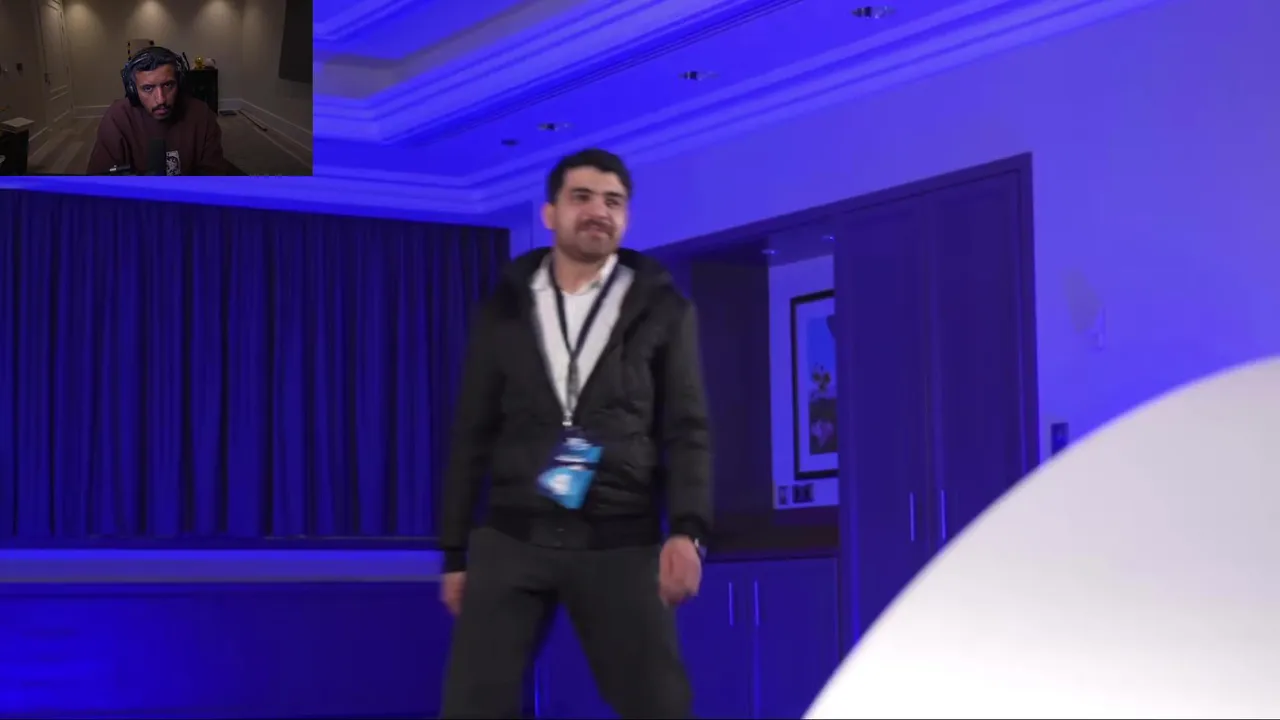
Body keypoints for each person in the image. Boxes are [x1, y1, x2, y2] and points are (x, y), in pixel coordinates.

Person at [438, 148, 712, 719]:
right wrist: (454, 553)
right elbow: (472, 431)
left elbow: (687, 428)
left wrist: (688, 530)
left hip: (620, 536)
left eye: (614, 201)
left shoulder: (663, 308)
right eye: (582, 197)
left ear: (626, 217)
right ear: (550, 213)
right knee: (472, 706)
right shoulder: (504, 309)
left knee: (661, 706)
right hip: (513, 536)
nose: (598, 212)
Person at [86, 46, 234, 176]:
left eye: (168, 85)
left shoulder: (201, 114)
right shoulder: (117, 118)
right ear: (133, 90)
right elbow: (99, 184)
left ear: (180, 84)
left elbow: (214, 179)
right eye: (148, 88)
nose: (161, 99)